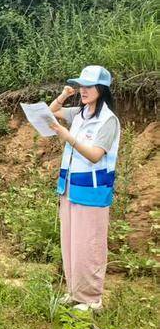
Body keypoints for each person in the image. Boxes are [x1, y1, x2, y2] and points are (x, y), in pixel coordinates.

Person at [48, 65, 121, 312]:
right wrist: (64, 95)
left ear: (102, 89)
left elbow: (94, 155)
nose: (83, 90)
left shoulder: (108, 120)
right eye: (81, 85)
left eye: (89, 86)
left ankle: (91, 299)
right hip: (70, 187)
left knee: (89, 244)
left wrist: (67, 136)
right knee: (71, 243)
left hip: (92, 191)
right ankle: (75, 292)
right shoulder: (80, 114)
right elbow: (51, 112)